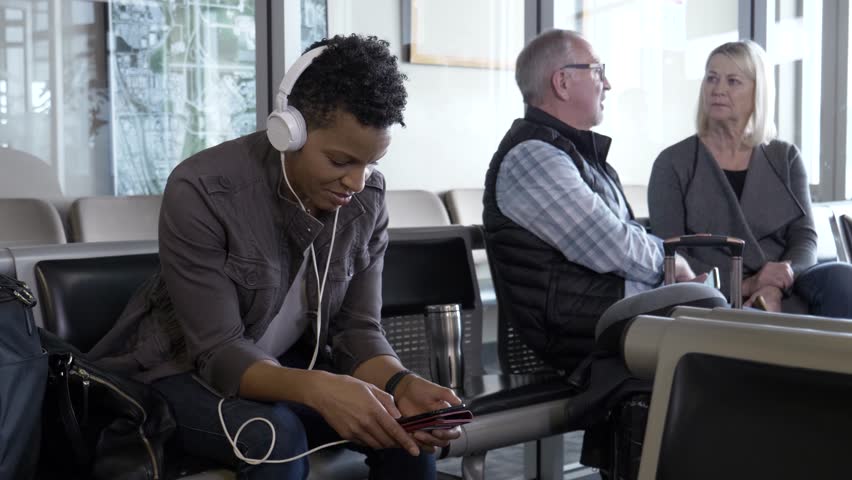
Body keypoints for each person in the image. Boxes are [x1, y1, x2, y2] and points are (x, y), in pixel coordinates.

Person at [88, 34, 460, 480]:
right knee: (273, 436)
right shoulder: (203, 189)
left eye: (369, 164)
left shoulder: (366, 201)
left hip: (288, 371)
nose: (356, 182)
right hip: (175, 375)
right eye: (341, 161)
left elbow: (358, 329)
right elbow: (219, 352)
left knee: (406, 434)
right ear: (290, 130)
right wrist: (320, 388)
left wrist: (401, 384)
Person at [482, 29, 700, 374]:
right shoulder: (533, 158)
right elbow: (610, 244)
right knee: (708, 313)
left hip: (599, 312)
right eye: (598, 70)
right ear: (563, 82)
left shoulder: (572, 154)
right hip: (573, 329)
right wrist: (671, 263)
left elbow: (620, 241)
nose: (608, 84)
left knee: (717, 317)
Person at [649, 40, 852, 317]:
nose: (718, 89)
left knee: (843, 277)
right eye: (711, 78)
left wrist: (776, 284)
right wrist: (746, 285)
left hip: (786, 284)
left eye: (733, 81)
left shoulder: (786, 157)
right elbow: (669, 256)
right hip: (711, 289)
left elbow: (804, 238)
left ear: (759, 91)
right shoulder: (672, 163)